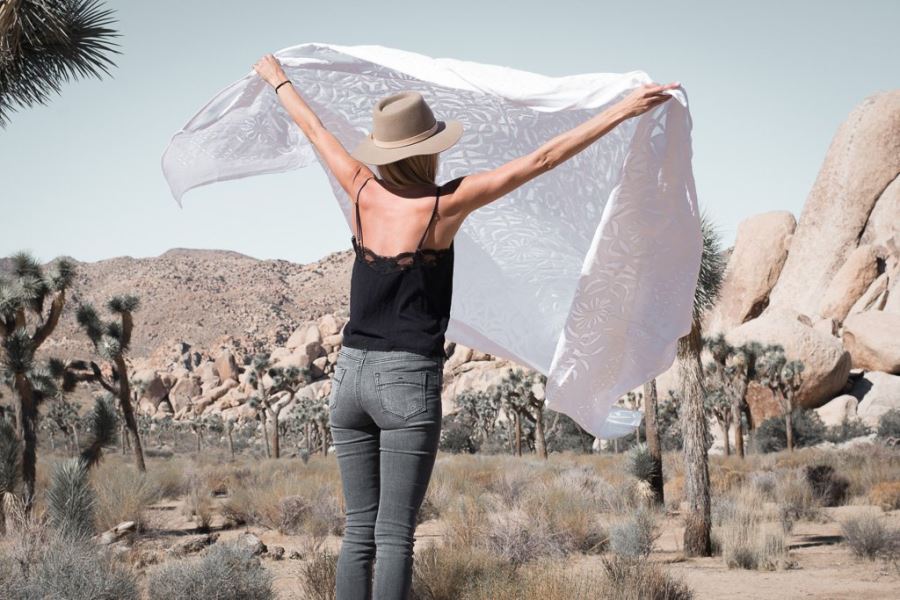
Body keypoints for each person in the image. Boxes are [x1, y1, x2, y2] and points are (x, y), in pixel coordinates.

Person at [253, 52, 678, 600]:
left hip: (347, 380)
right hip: (406, 382)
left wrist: (278, 79)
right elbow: (541, 159)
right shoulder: (443, 205)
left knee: (358, 532)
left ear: (384, 151)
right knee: (395, 535)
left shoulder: (359, 189)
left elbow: (313, 128)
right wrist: (621, 111)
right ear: (429, 151)